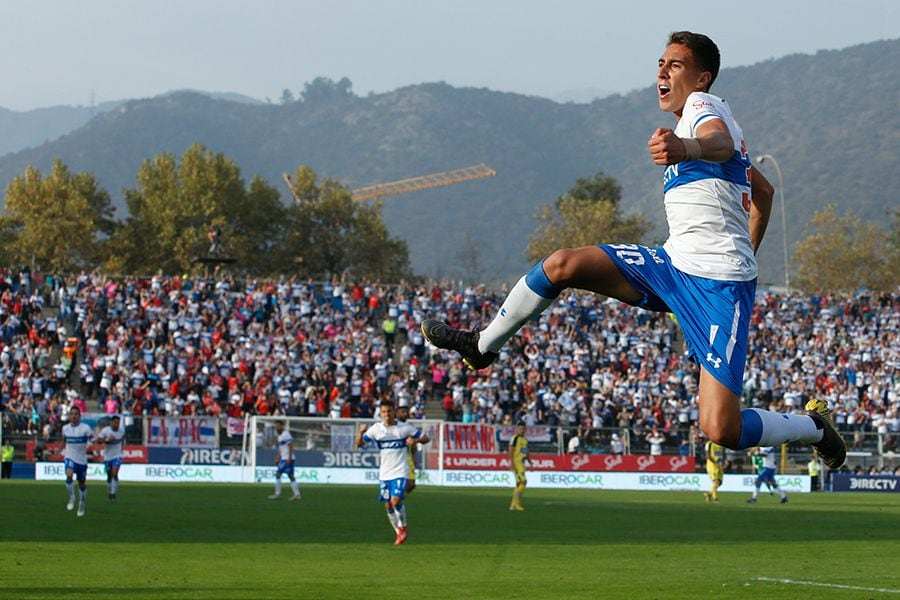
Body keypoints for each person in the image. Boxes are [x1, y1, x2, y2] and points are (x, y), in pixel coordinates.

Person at [421, 31, 846, 469]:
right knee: (562, 264)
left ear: (701, 78)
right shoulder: (705, 128)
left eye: (675, 64)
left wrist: (688, 148)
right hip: (672, 264)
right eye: (660, 63)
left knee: (721, 429)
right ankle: (482, 345)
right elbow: (764, 190)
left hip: (718, 284)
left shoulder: (705, 108)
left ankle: (813, 427)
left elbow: (715, 141)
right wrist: (748, 249)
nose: (662, 71)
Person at [355, 400, 429, 545]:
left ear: (394, 412)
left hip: (400, 470)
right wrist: (361, 433)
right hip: (385, 472)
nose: (387, 415)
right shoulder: (376, 429)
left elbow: (426, 438)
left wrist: (416, 441)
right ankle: (398, 533)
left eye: (389, 411)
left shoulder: (404, 428)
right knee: (387, 505)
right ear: (380, 413)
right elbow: (358, 445)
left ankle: (403, 527)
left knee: (395, 501)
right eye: (384, 412)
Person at [61, 405, 93, 517]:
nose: (73, 416)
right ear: (69, 416)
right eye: (72, 414)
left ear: (79, 416)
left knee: (81, 484)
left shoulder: (86, 428)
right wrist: (59, 450)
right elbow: (63, 441)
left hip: (82, 460)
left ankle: (82, 502)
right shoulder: (65, 428)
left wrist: (92, 445)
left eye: (76, 414)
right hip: (69, 456)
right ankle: (71, 497)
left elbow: (92, 440)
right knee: (68, 475)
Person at [268, 420, 301, 501]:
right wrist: (277, 458)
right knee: (291, 476)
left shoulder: (286, 434)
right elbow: (281, 449)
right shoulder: (279, 436)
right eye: (275, 426)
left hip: (287, 458)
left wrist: (289, 457)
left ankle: (277, 494)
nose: (276, 428)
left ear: (281, 426)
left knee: (278, 474)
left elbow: (290, 446)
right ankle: (297, 494)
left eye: (278, 426)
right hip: (284, 458)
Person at [95, 415, 126, 501]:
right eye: (115, 422)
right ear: (111, 423)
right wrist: (107, 440)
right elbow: (98, 441)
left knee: (114, 472)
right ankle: (110, 490)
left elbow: (123, 439)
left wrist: (122, 449)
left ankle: (113, 493)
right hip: (107, 456)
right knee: (109, 475)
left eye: (118, 423)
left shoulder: (121, 431)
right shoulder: (105, 431)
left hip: (117, 455)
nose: (117, 424)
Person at [395, 398, 418, 495]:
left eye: (406, 412)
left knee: (412, 485)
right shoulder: (394, 426)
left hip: (408, 458)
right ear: (397, 414)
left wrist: (413, 457)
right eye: (403, 412)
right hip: (397, 458)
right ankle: (396, 497)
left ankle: (398, 496)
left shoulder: (410, 427)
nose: (405, 414)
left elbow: (414, 445)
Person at [509, 421, 530, 511]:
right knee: (524, 482)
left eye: (523, 429)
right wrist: (512, 463)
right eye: (520, 428)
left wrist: (530, 461)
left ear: (525, 429)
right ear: (517, 429)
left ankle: (513, 504)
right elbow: (511, 450)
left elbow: (525, 451)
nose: (521, 430)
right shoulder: (514, 438)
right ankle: (516, 503)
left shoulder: (525, 440)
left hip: (522, 464)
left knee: (518, 484)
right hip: (517, 464)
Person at [704, 438, 724, 503]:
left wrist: (724, 462)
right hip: (712, 465)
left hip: (719, 465)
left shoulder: (721, 444)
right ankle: (715, 499)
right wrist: (716, 463)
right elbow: (708, 456)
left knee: (719, 483)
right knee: (716, 481)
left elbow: (721, 454)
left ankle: (709, 494)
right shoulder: (709, 444)